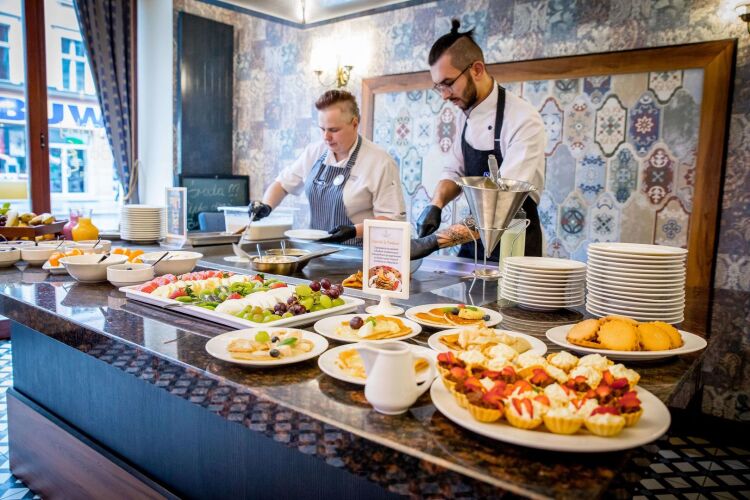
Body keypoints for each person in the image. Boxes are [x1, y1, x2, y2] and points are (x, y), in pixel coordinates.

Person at [416, 19, 546, 259]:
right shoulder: (464, 115)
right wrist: (435, 204)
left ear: (476, 69)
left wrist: (434, 242)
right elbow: (454, 171)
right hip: (474, 244)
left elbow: (501, 205)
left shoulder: (523, 119)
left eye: (448, 84)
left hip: (515, 245)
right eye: (439, 87)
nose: (444, 96)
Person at [249, 90, 406, 245]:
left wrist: (354, 231)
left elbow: (392, 220)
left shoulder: (380, 162)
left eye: (333, 130)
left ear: (355, 124)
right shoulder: (314, 152)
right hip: (317, 251)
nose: (326, 137)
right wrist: (266, 205)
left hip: (359, 253)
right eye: (322, 129)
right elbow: (282, 184)